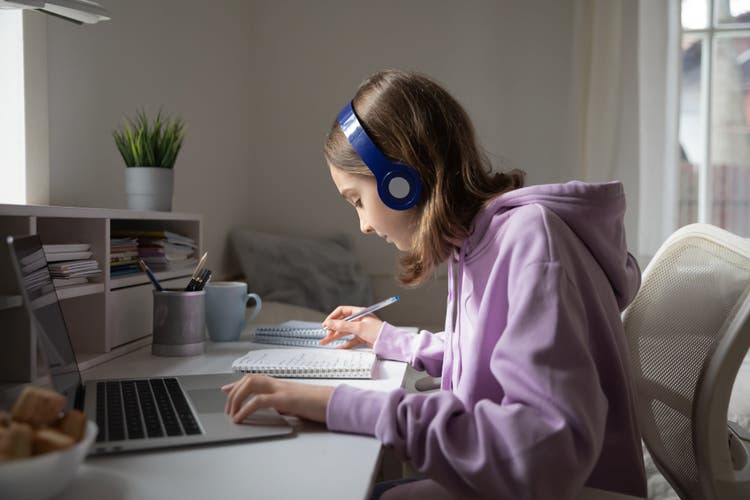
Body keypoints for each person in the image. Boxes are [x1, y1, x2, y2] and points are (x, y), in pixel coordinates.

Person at [223, 69, 647, 499]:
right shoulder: (478, 242)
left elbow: (542, 453)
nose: (364, 225)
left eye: (357, 200)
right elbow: (489, 352)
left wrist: (336, 404)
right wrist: (387, 338)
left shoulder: (530, 240)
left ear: (400, 182)